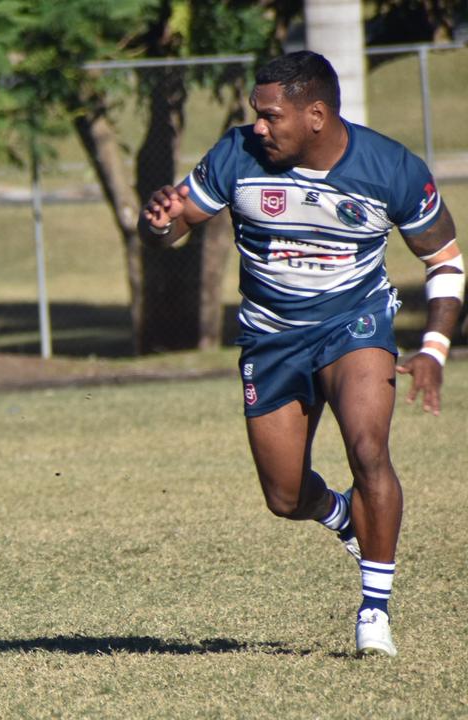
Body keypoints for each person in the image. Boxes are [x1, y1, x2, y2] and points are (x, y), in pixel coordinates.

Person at [140, 51, 459, 657]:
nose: (259, 127)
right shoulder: (238, 155)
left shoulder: (390, 167)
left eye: (270, 116)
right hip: (270, 334)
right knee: (284, 497)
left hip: (354, 322)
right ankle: (341, 515)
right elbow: (176, 222)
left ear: (316, 114)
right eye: (256, 115)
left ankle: (374, 612)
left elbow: (444, 260)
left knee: (369, 448)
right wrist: (159, 222)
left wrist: (434, 350)